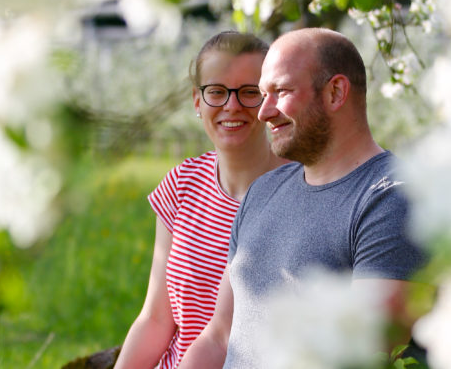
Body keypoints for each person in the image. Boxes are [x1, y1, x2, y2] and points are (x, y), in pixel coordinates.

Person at [179, 27, 426, 369]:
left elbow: (369, 352)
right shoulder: (263, 191)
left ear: (336, 92)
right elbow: (219, 337)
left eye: (280, 91)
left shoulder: (390, 198)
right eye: (263, 94)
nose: (263, 112)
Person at [114, 31, 287, 369]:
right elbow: (155, 320)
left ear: (270, 101)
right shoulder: (182, 183)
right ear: (197, 101)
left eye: (249, 92)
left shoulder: (300, 189)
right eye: (217, 92)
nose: (231, 105)